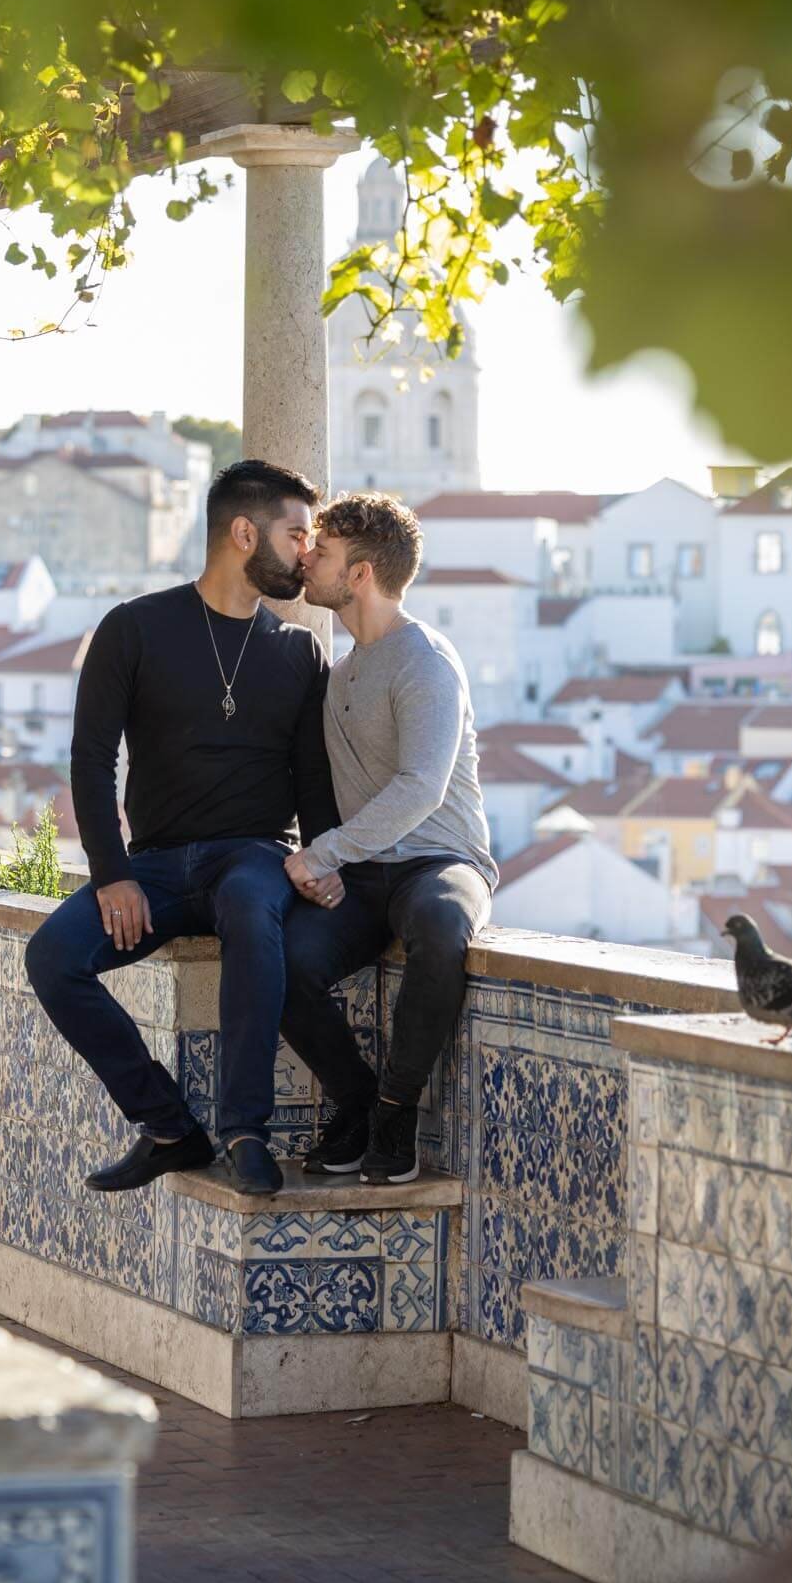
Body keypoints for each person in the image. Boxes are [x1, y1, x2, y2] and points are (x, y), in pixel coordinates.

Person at [24, 460, 342, 1198]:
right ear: (242, 533)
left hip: (253, 856)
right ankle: (170, 1127)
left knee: (251, 912)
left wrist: (325, 862)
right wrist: (112, 874)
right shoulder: (134, 628)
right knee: (53, 958)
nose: (304, 551)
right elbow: (91, 760)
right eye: (295, 534)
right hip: (157, 866)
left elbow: (313, 781)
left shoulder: (299, 652)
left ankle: (244, 1130)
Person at [280, 491, 496, 1184]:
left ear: (362, 574)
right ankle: (357, 1103)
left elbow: (420, 787)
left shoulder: (424, 660)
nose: (306, 561)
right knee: (276, 959)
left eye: (323, 552)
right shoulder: (340, 671)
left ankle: (396, 1112)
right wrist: (324, 856)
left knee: (439, 930)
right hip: (363, 874)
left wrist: (325, 852)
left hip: (440, 860)